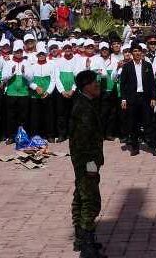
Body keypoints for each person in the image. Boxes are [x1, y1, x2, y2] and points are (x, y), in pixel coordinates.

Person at [69, 69, 106, 258]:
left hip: (82, 160)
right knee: (91, 200)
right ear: (86, 87)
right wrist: (91, 166)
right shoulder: (84, 108)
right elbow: (84, 142)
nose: (97, 85)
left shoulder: (85, 103)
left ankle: (80, 238)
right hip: (87, 162)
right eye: (94, 83)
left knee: (80, 196)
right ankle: (87, 247)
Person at [117, 43, 156, 156]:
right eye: (135, 51)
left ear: (142, 52)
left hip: (145, 98)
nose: (137, 53)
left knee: (148, 122)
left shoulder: (147, 65)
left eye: (139, 51)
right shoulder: (127, 66)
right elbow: (123, 84)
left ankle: (152, 146)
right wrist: (123, 99)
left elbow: (152, 83)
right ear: (131, 53)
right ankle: (135, 147)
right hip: (132, 98)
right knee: (133, 123)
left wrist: (153, 97)